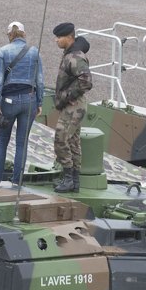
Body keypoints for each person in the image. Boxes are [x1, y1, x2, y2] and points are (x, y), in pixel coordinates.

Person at [0, 21, 44, 187]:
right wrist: (39, 101)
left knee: (2, 140)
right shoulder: (34, 51)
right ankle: (16, 181)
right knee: (22, 142)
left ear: (9, 34)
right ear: (23, 34)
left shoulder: (3, 51)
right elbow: (40, 80)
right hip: (30, 100)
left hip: (8, 101)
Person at [51, 22, 93, 193]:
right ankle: (74, 181)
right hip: (75, 105)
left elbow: (86, 81)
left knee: (60, 140)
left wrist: (67, 96)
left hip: (73, 105)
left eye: (59, 37)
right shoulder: (69, 54)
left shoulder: (74, 57)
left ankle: (68, 178)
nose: (56, 40)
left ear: (69, 37)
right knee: (74, 142)